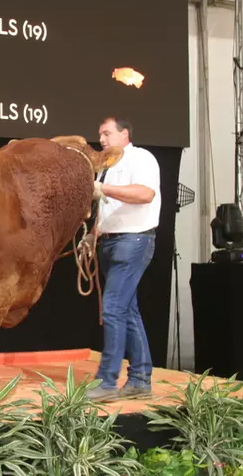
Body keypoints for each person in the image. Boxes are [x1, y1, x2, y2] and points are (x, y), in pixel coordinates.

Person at [86, 116, 161, 402]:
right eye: (100, 135)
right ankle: (141, 379)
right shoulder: (108, 167)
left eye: (107, 133)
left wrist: (103, 189)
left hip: (134, 240)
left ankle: (106, 381)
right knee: (127, 311)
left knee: (114, 308)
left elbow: (145, 194)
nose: (102, 140)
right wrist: (92, 236)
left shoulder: (141, 158)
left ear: (125, 134)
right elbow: (107, 210)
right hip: (111, 241)